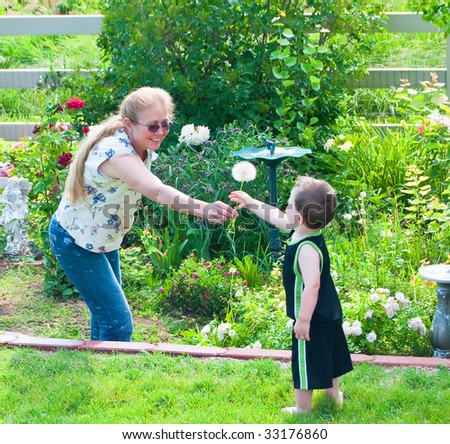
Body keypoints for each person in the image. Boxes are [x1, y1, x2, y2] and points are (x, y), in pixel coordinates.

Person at [49, 86, 237, 342]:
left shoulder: (136, 142)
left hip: (99, 239)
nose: (160, 132)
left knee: (106, 316)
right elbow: (158, 192)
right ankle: (115, 376)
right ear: (129, 123)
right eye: (152, 126)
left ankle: (100, 372)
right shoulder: (116, 152)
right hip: (75, 241)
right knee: (118, 323)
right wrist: (205, 209)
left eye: (165, 124)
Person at [230, 176, 353, 413]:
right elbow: (277, 218)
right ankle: (333, 395)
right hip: (328, 313)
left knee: (304, 362)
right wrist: (251, 202)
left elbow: (312, 285)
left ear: (301, 217)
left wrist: (304, 320)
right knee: (329, 355)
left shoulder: (306, 249)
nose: (284, 209)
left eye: (288, 205)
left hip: (313, 319)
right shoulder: (303, 231)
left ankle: (303, 409)